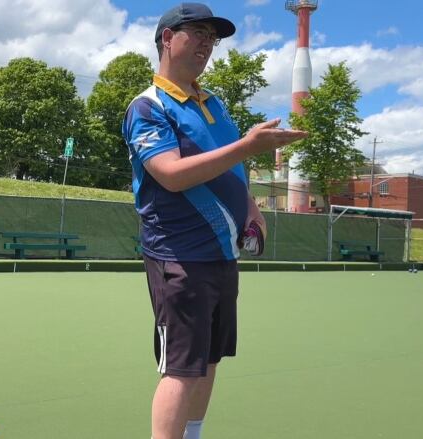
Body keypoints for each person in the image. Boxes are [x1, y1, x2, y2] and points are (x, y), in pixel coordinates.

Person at [122, 3, 308, 438]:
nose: (207, 44)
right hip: (179, 257)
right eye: (197, 34)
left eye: (213, 37)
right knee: (182, 369)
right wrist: (248, 145)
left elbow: (229, 171)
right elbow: (169, 175)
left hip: (221, 256)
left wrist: (252, 209)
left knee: (207, 361)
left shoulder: (212, 103)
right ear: (168, 39)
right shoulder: (148, 107)